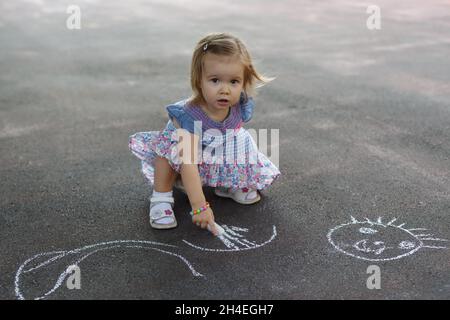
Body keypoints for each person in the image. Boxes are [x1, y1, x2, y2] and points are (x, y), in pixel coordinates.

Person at [129, 32, 280, 235]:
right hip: (185, 159)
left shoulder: (239, 106)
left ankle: (228, 184)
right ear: (199, 80)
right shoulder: (188, 116)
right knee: (166, 156)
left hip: (215, 150)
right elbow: (187, 163)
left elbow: (233, 145)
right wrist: (200, 206)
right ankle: (161, 198)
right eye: (215, 80)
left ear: (244, 82)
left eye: (234, 82)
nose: (224, 90)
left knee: (242, 141)